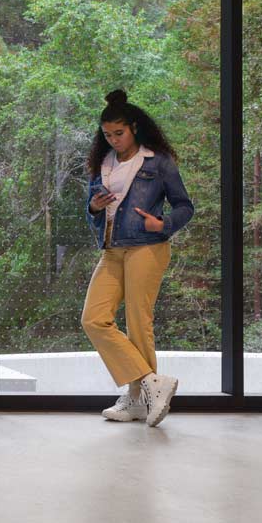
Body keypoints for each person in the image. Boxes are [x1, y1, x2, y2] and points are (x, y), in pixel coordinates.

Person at [82, 89, 194, 427]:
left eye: (119, 133)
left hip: (148, 245)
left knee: (138, 323)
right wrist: (93, 207)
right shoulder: (101, 165)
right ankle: (151, 385)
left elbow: (185, 206)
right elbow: (92, 212)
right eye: (107, 135)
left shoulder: (157, 161)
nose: (114, 140)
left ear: (134, 128)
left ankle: (136, 400)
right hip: (113, 248)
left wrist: (163, 224)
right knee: (93, 318)